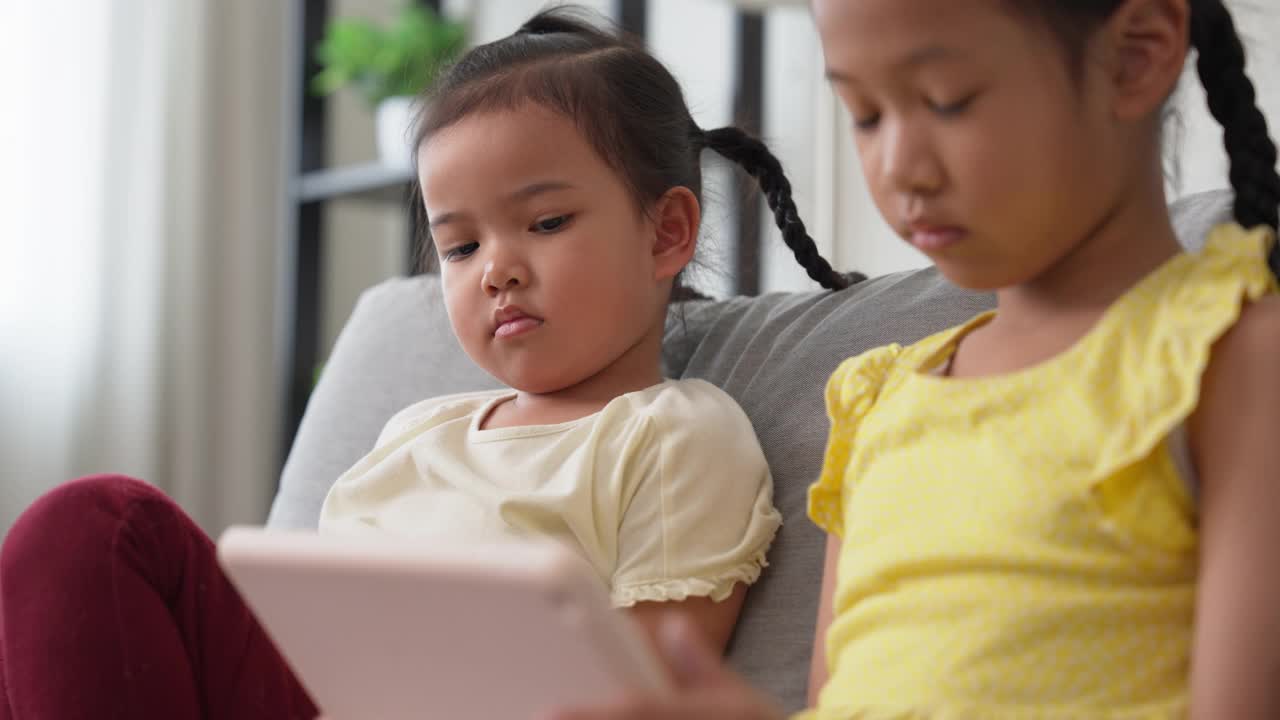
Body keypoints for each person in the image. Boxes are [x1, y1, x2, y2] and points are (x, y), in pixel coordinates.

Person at [0, 8, 854, 720]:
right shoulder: (416, 432)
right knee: (88, 529)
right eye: (460, 244)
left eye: (546, 222)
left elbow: (651, 692)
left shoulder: (671, 439)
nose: (497, 268)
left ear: (666, 230)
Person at [547, 0, 1280, 718]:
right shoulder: (880, 399)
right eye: (865, 115)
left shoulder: (1232, 355)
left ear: (1135, 57)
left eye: (947, 101)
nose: (899, 167)